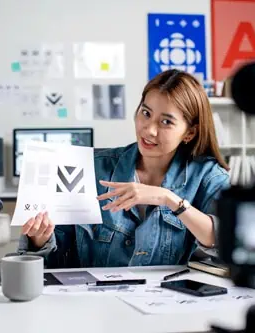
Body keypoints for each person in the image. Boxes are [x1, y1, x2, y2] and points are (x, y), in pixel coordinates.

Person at [17, 69, 230, 268]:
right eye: (146, 113)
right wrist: (40, 239)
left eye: (166, 121)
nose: (149, 130)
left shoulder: (207, 176)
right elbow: (56, 259)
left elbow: (227, 239)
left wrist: (169, 199)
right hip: (94, 301)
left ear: (189, 133)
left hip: (169, 303)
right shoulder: (91, 167)